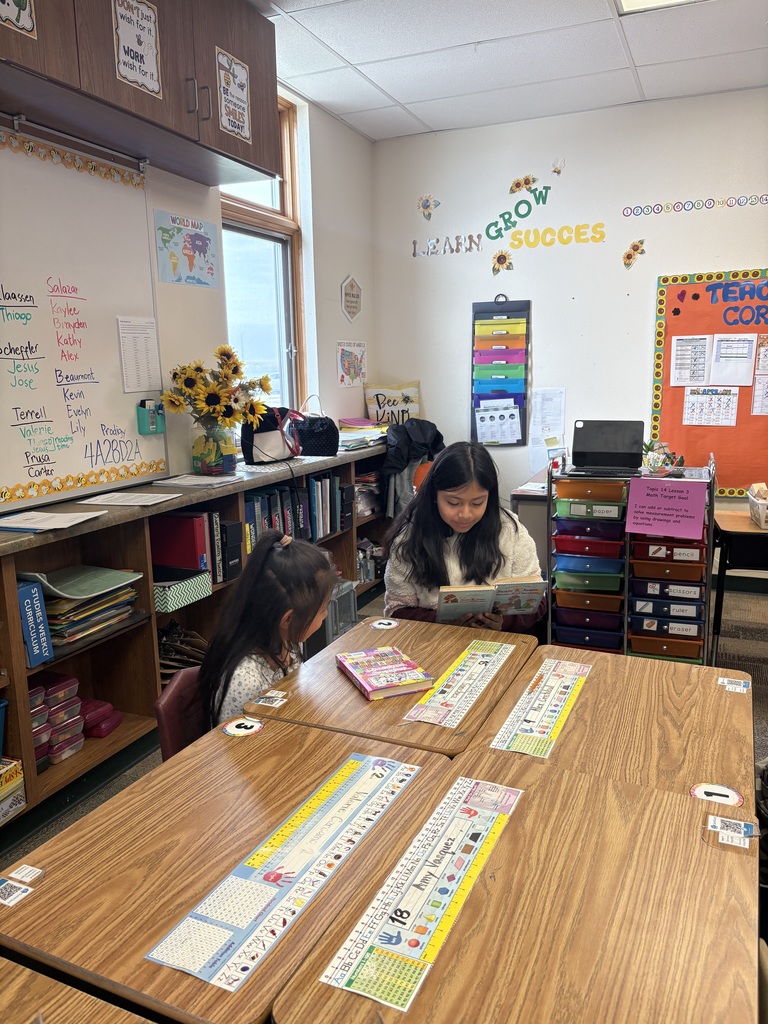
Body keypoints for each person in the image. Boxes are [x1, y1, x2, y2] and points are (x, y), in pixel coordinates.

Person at [383, 441, 545, 634]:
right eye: (453, 503)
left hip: (497, 641)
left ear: (489, 497)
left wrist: (504, 623)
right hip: (434, 640)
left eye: (477, 503)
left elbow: (536, 602)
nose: (465, 514)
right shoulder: (409, 539)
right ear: (434, 496)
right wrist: (442, 622)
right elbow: (396, 610)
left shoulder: (510, 531)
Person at [199, 529, 338, 726]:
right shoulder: (246, 680)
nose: (326, 614)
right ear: (287, 619)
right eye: (323, 609)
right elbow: (241, 742)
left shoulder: (286, 641)